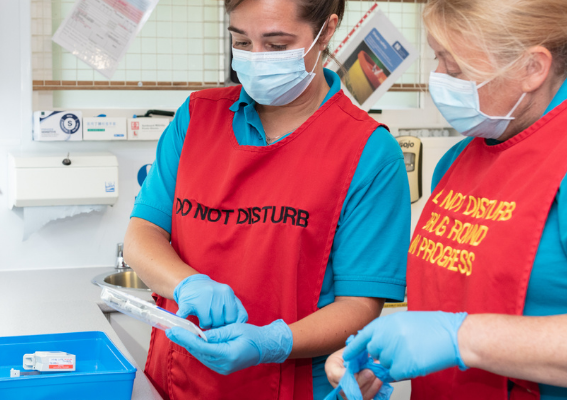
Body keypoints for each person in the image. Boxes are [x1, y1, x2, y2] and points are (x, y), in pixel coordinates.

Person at [326, 0, 567, 399]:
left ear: (532, 67)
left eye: (455, 66)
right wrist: (386, 352)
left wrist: (459, 338)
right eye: (438, 57)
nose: (439, 78)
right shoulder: (462, 160)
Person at [122, 0, 412, 397]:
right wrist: (187, 284)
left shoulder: (368, 152)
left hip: (289, 384)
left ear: (326, 31)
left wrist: (271, 343)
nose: (256, 60)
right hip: (177, 379)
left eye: (276, 45)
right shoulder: (196, 118)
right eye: (241, 42)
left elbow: (360, 306)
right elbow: (142, 236)